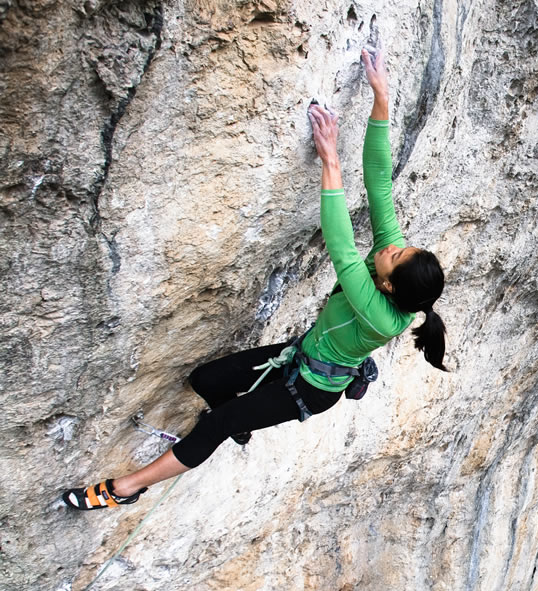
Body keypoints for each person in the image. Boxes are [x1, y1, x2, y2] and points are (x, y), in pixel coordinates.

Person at [61, 49, 447, 511]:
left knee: (215, 425)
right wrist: (381, 97)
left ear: (388, 286)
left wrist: (330, 162)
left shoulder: (384, 315)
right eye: (402, 247)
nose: (390, 247)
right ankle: (252, 413)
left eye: (395, 256)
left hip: (310, 387)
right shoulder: (392, 271)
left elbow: (343, 249)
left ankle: (124, 489)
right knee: (206, 380)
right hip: (306, 351)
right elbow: (381, 183)